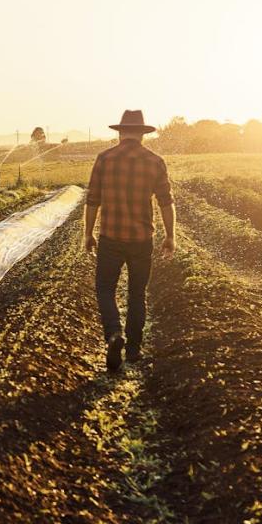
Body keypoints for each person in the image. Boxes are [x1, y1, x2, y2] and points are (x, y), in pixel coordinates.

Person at [84, 110, 175, 371]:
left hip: (110, 236)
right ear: (142, 134)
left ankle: (114, 334)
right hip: (141, 239)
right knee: (137, 293)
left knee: (104, 289)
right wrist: (170, 236)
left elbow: (92, 200)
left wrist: (88, 234)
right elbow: (166, 202)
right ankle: (134, 351)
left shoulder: (104, 159)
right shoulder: (155, 161)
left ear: (121, 132)